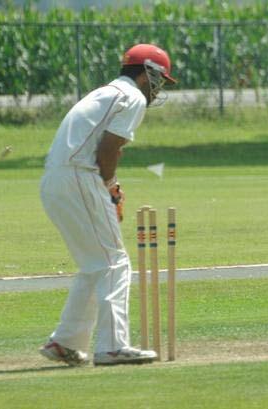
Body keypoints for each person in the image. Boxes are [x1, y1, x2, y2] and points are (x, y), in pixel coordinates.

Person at [38, 44, 176, 366]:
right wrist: (110, 187)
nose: (158, 89)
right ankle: (113, 346)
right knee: (115, 262)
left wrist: (108, 187)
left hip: (55, 180)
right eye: (159, 81)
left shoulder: (106, 93)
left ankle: (64, 341)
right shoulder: (133, 97)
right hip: (78, 178)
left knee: (95, 264)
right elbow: (108, 151)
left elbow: (106, 146)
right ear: (147, 73)